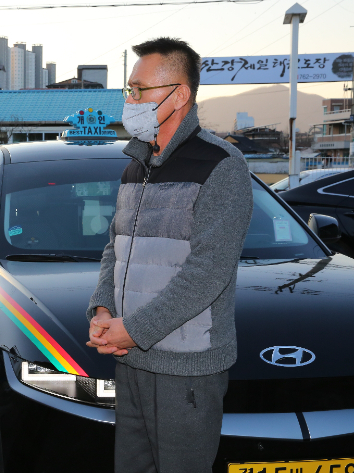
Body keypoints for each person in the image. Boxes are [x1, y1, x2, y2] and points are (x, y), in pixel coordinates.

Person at [85, 38, 253, 473]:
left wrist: (133, 330)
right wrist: (104, 306)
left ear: (180, 94)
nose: (130, 100)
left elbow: (208, 273)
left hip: (187, 369)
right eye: (129, 90)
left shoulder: (220, 164)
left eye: (140, 90)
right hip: (131, 359)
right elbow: (114, 246)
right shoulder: (135, 166)